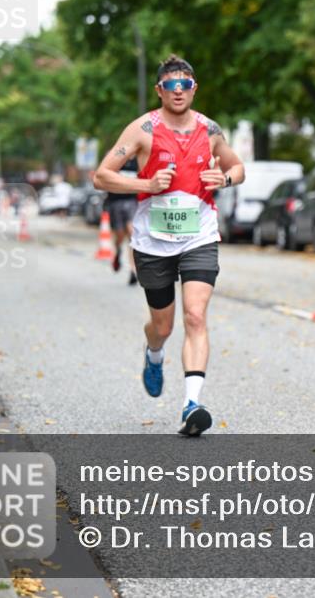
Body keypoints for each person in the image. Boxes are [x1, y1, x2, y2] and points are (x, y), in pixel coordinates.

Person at [93, 55, 244, 436]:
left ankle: (192, 404)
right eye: (171, 85)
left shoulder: (210, 129)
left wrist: (222, 180)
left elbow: (237, 167)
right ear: (160, 90)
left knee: (195, 316)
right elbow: (101, 176)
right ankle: (154, 353)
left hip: (199, 235)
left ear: (195, 89)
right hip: (153, 242)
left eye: (186, 85)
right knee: (163, 325)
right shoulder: (142, 129)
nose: (179, 91)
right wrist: (146, 185)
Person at [103, 157, 140, 285]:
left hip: (132, 201)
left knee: (132, 234)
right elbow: (102, 177)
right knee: (119, 235)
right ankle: (118, 251)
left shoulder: (137, 161)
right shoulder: (114, 158)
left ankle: (133, 270)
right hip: (115, 202)